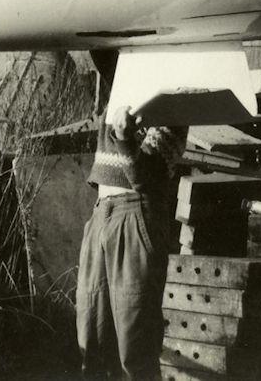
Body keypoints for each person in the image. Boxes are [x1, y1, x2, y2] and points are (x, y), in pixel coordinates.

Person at [76, 103, 187, 380]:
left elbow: (147, 178)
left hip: (136, 213)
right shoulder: (121, 85)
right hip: (101, 212)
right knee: (92, 342)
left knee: (134, 349)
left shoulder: (171, 106)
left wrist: (125, 139)